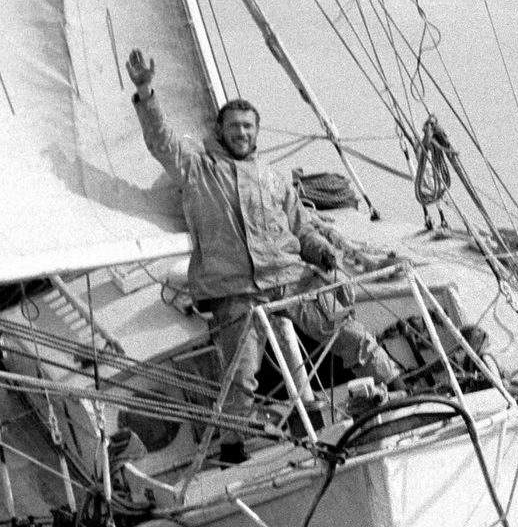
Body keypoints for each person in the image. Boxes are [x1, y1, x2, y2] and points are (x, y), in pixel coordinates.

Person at [126, 49, 400, 464]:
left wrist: (322, 250)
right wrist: (146, 92)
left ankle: (395, 384)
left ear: (256, 133)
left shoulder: (272, 178)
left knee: (345, 331)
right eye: (234, 126)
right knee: (241, 373)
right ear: (220, 130)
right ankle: (232, 445)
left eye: (248, 126)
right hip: (234, 288)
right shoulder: (197, 168)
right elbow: (161, 142)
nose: (241, 132)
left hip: (287, 276)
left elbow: (301, 228)